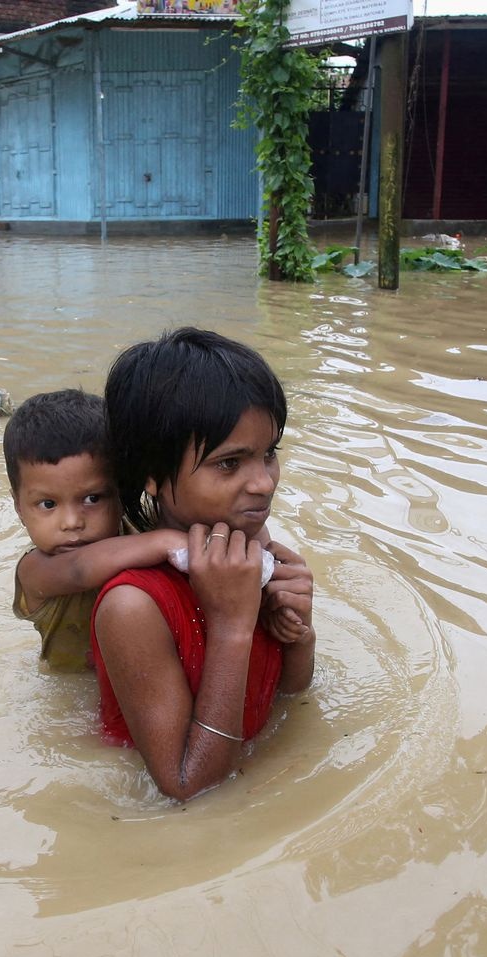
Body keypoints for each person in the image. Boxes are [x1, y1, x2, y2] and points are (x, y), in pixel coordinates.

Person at [92, 327, 315, 802]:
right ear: (152, 475)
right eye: (230, 463)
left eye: (269, 454)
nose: (264, 482)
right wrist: (233, 625)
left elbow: (287, 698)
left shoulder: (250, 543)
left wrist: (299, 630)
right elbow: (188, 786)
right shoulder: (134, 606)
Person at [5, 389, 191, 674]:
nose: (71, 522)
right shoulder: (35, 570)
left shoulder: (138, 529)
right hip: (71, 685)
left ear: (122, 491)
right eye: (48, 504)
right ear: (19, 507)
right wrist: (167, 541)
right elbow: (80, 570)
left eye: (92, 498)